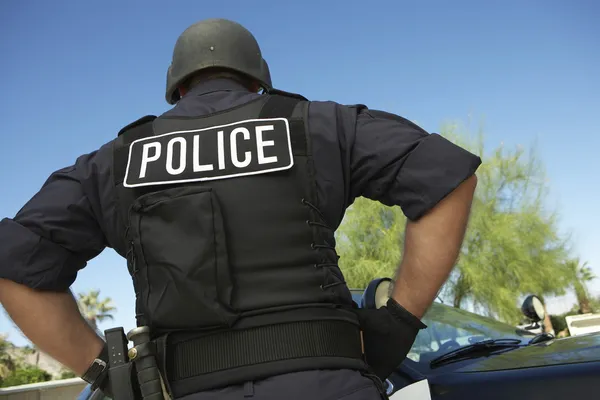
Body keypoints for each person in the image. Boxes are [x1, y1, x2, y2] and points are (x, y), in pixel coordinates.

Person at [0, 18, 480, 400]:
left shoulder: (114, 162)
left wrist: (108, 372)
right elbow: (445, 176)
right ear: (257, 78)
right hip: (330, 384)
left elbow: (14, 267)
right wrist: (396, 322)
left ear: (177, 87)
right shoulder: (317, 125)